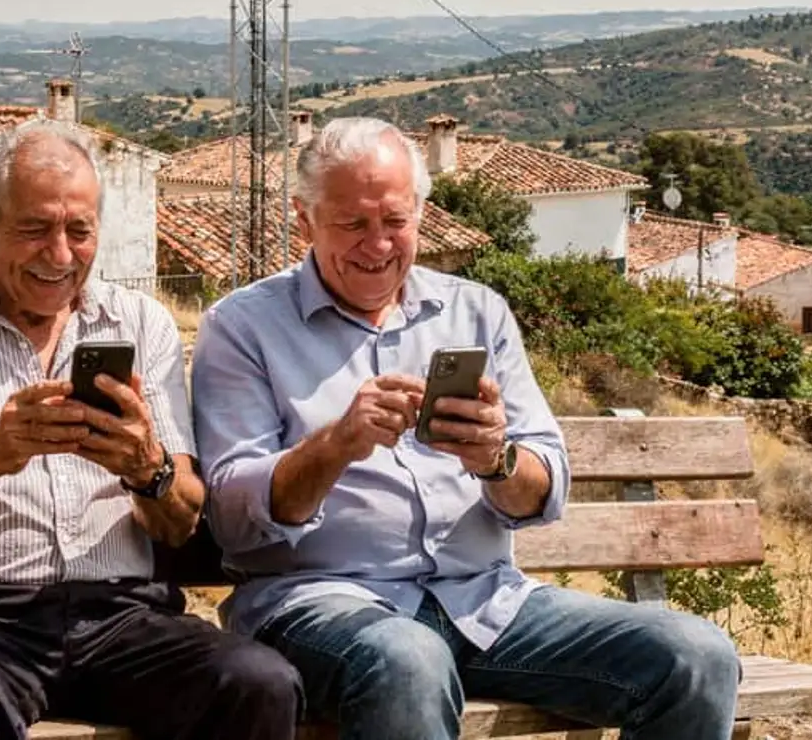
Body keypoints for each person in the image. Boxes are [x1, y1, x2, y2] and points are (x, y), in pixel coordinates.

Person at [190, 116, 742, 740]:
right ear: (303, 219)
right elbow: (232, 519)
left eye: (395, 222)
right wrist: (336, 445)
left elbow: (545, 486)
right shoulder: (242, 327)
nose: (377, 245)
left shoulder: (477, 311)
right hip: (321, 604)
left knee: (697, 656)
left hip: (487, 601)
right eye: (352, 225)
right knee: (408, 658)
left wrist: (494, 459)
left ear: (420, 214)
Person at [0, 118, 302, 740]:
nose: (60, 255)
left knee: (258, 682)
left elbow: (182, 519)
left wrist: (147, 469)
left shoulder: (141, 323)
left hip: (122, 617)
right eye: (34, 230)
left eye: (79, 231)